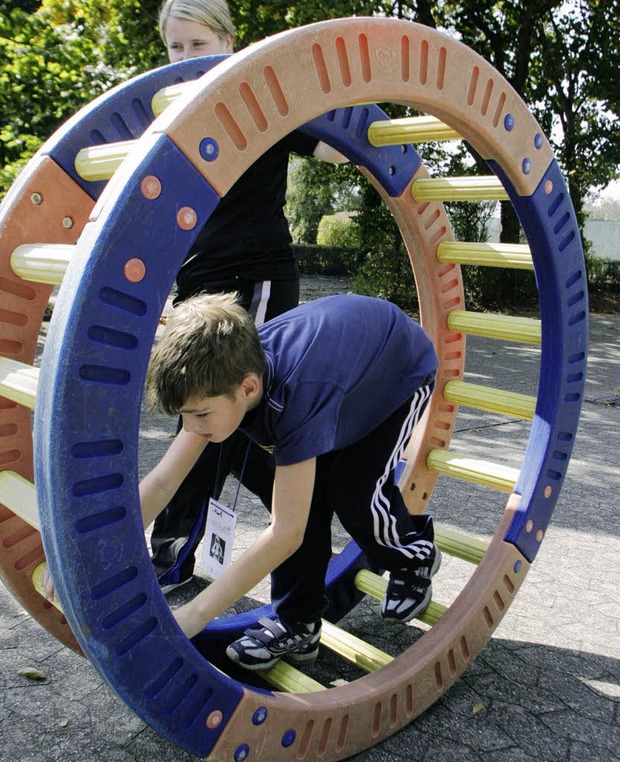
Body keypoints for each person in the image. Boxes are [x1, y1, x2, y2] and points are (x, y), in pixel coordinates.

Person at [151, 0, 347, 592]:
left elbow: (340, 145)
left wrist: (317, 95)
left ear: (230, 44)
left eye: (198, 44)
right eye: (175, 47)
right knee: (226, 419)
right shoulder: (172, 114)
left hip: (253, 280)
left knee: (214, 414)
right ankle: (309, 515)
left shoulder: (259, 104)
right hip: (197, 281)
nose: (186, 58)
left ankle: (174, 552)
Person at [141, 292, 441, 671]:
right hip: (336, 377)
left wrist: (194, 617)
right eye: (187, 416)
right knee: (304, 500)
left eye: (200, 414)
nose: (192, 428)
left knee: (354, 488)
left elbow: (286, 533)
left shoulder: (293, 400)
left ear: (248, 389)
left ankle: (412, 556)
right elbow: (163, 482)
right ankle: (298, 621)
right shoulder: (223, 381)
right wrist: (96, 557)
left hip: (396, 374)